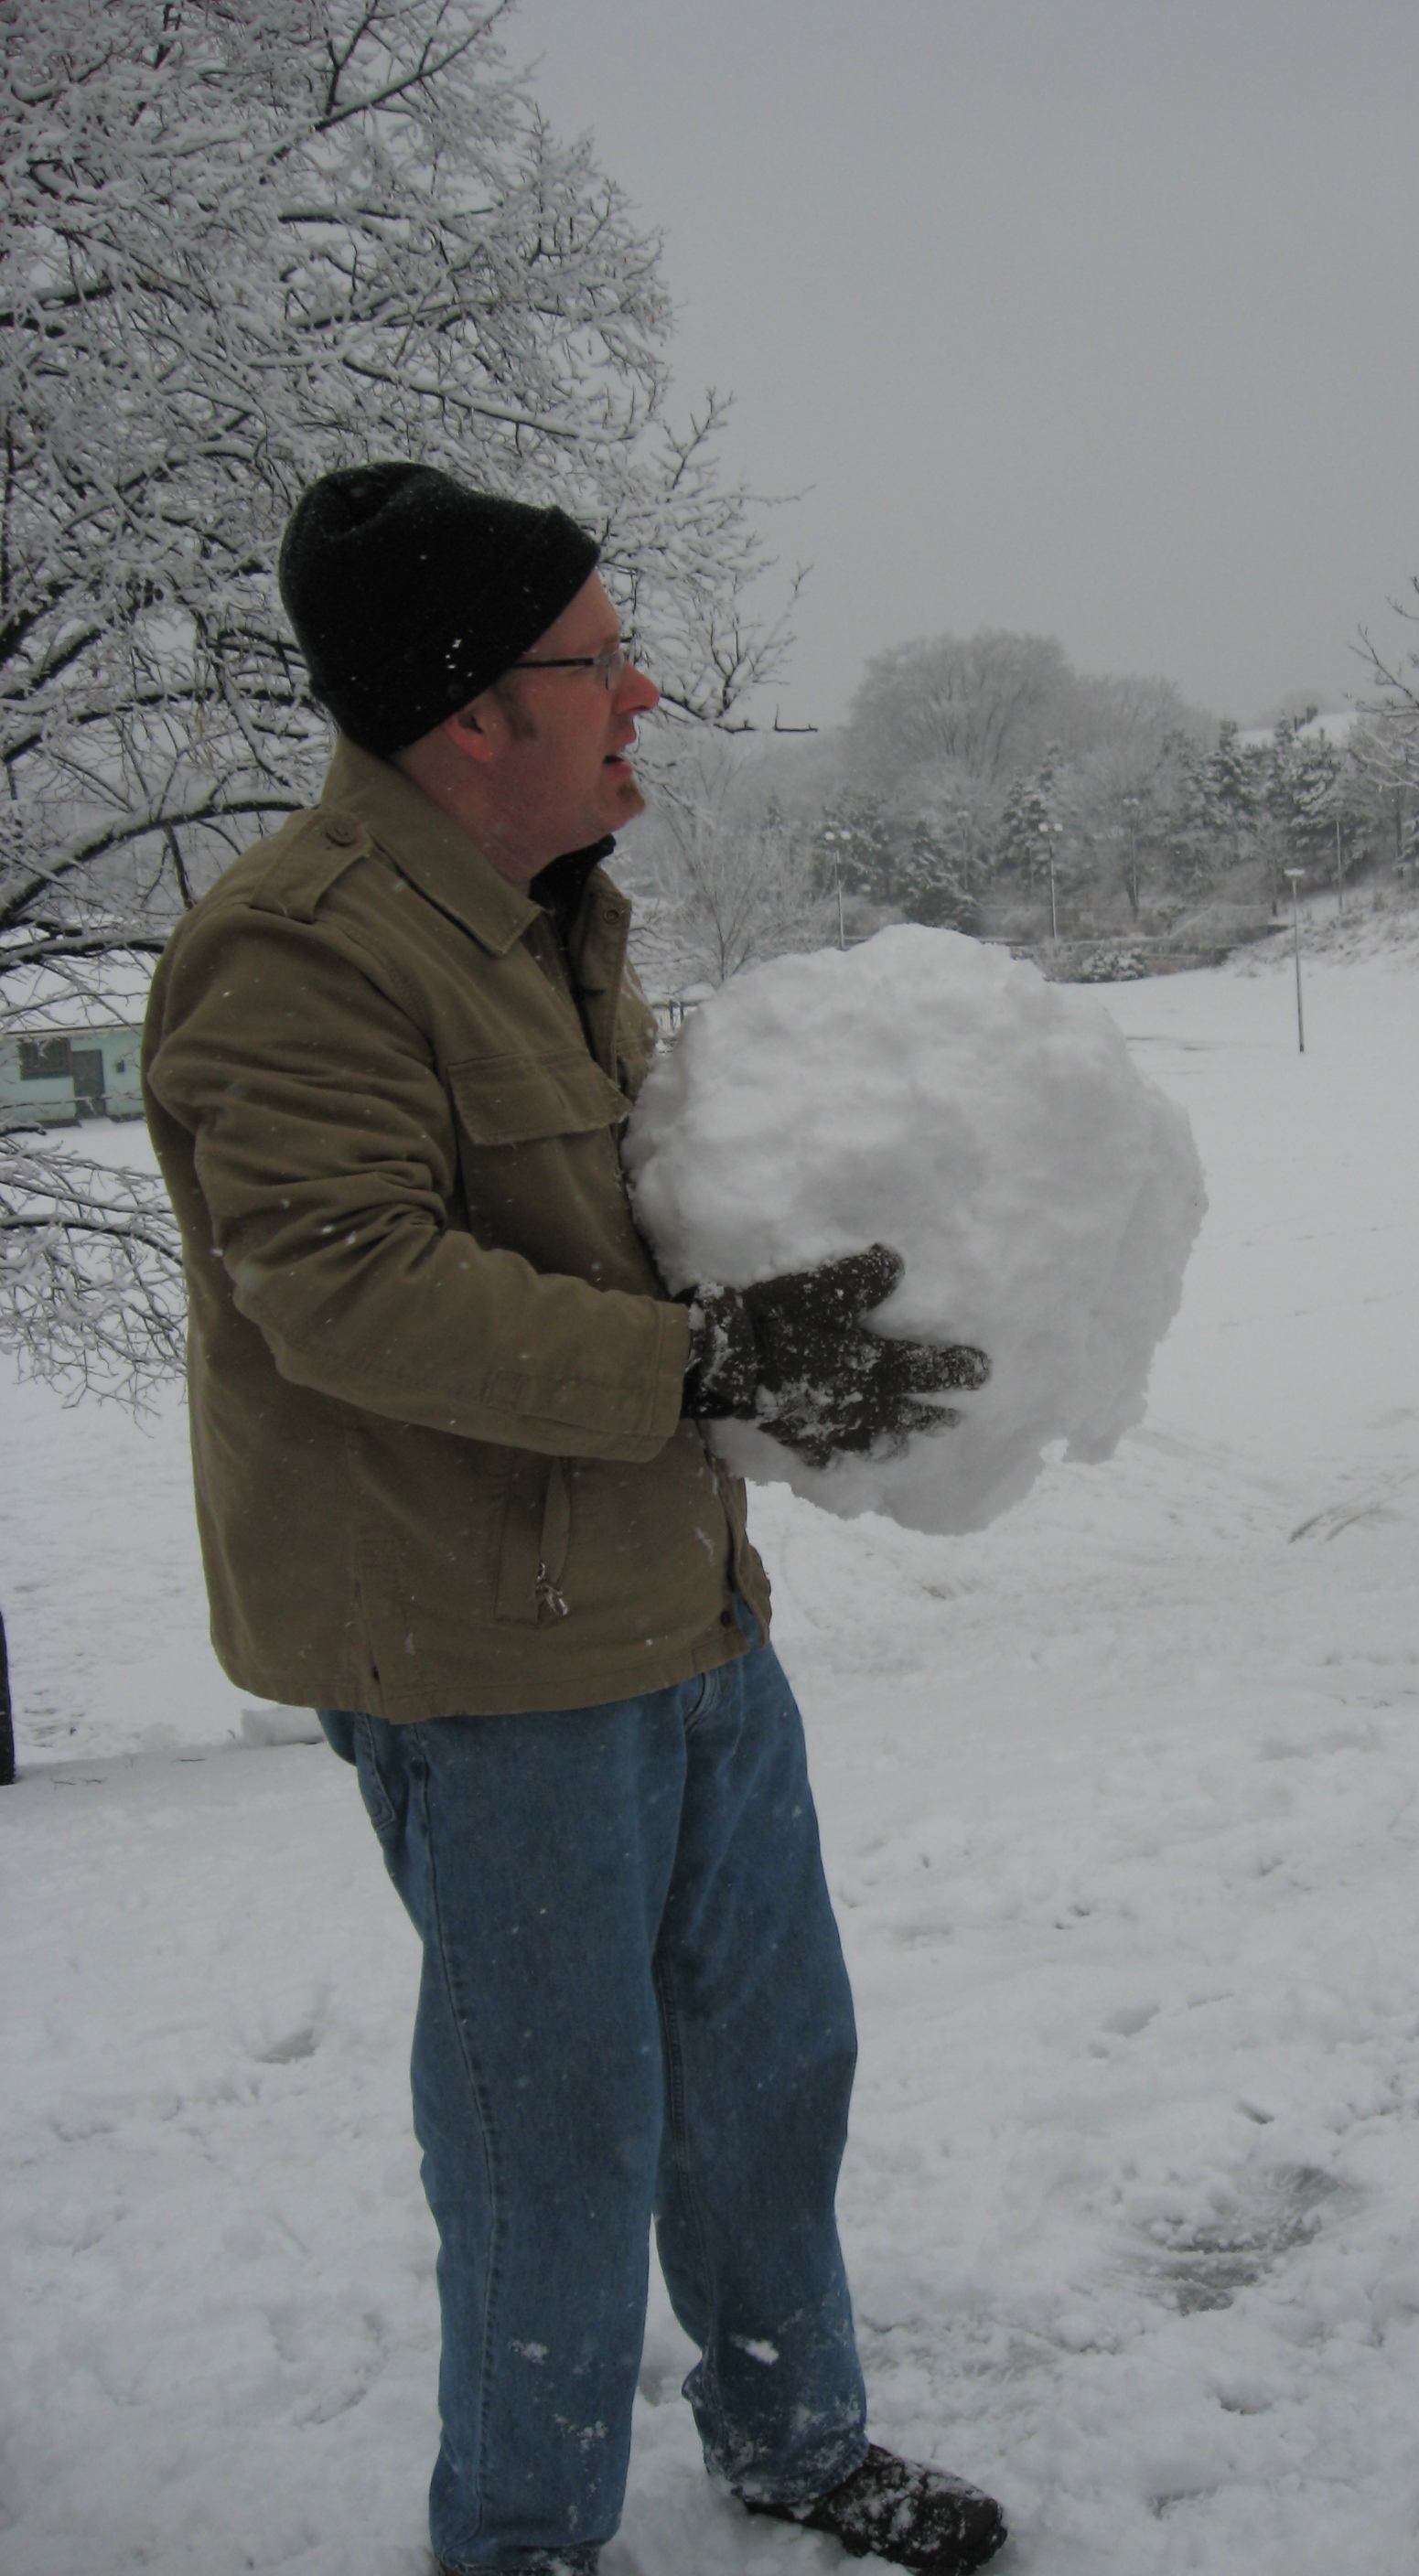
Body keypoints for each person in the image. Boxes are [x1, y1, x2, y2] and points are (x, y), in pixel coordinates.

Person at [141, 462, 1005, 2576]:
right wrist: (706, 1365)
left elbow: (603, 1226)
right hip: (485, 1654)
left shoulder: (554, 917)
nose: (644, 698)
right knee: (558, 2133)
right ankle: (523, 2540)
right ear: (472, 712)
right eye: (601, 662)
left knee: (771, 2062)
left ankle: (795, 2438)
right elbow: (346, 1280)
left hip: (680, 1603)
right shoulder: (299, 955)